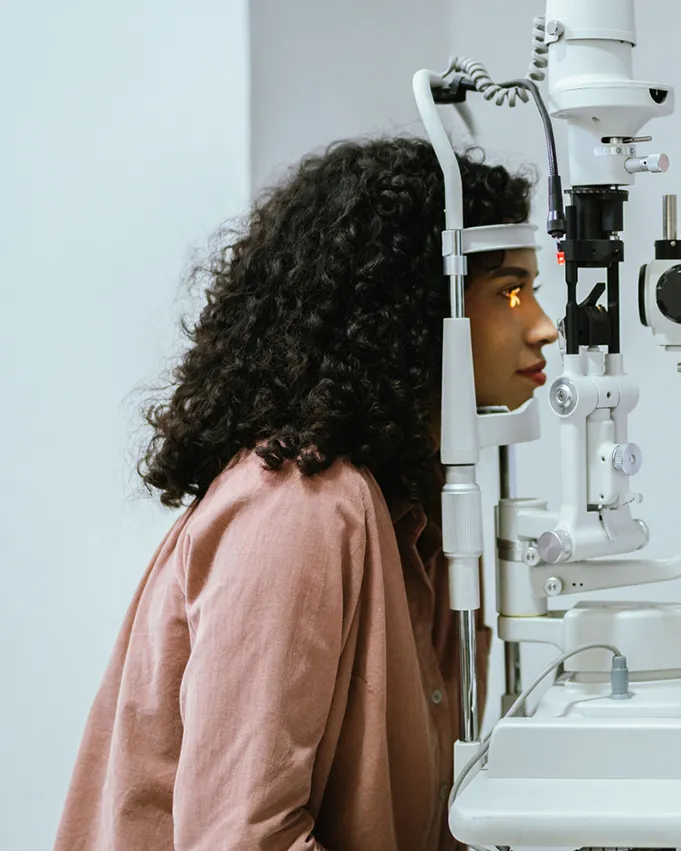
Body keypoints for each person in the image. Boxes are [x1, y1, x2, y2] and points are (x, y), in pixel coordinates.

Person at [55, 137, 558, 850]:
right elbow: (242, 837)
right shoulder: (301, 508)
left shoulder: (415, 510)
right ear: (418, 303)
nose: (544, 324)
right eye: (510, 290)